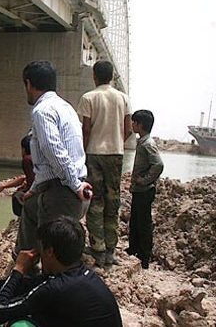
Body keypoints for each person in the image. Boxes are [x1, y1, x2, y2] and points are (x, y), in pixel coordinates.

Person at [0, 218, 122, 326]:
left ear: (50, 251)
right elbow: (33, 286)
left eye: (41, 250)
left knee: (19, 324)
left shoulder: (55, 288)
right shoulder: (81, 275)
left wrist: (18, 269)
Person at [15, 61, 92, 254]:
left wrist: (75, 185)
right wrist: (35, 188)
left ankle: (35, 274)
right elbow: (47, 161)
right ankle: (23, 267)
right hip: (67, 189)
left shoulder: (42, 111)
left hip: (64, 193)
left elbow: (54, 151)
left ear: (29, 84)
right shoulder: (66, 108)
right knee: (30, 208)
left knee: (52, 257)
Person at [76, 61, 132, 267]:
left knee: (95, 201)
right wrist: (116, 144)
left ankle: (97, 247)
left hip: (94, 153)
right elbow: (128, 129)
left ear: (94, 76)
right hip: (115, 154)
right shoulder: (123, 98)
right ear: (112, 77)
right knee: (113, 201)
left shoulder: (88, 97)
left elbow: (86, 130)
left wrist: (82, 152)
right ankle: (111, 250)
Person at [127, 110, 163, 269]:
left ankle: (144, 256)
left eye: (134, 122)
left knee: (143, 223)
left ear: (140, 125)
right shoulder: (142, 142)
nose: (132, 125)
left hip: (145, 190)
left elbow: (158, 165)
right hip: (139, 190)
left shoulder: (148, 144)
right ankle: (133, 248)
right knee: (135, 220)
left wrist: (143, 180)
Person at [0, 134, 34, 200]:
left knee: (16, 196)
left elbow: (31, 182)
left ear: (24, 149)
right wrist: (3, 185)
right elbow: (25, 177)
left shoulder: (27, 159)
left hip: (37, 193)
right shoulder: (37, 159)